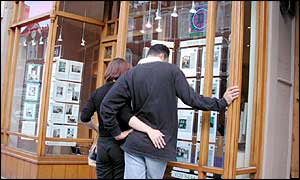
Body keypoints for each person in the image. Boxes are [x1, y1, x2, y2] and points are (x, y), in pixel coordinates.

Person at [100, 44, 240, 179]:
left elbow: (106, 106)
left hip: (134, 144)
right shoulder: (172, 71)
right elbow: (192, 99)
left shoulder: (130, 74)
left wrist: (116, 133)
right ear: (163, 56)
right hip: (159, 143)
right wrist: (222, 102)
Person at [81, 58, 165, 179]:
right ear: (125, 73)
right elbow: (129, 116)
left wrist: (96, 128)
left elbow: (84, 117)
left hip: (103, 146)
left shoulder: (97, 92)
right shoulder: (124, 92)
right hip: (120, 145)